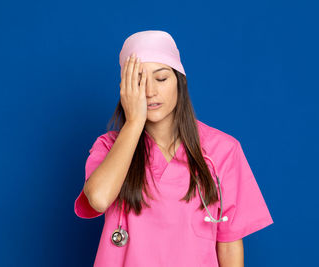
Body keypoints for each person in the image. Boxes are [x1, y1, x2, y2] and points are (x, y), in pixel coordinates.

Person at [74, 30, 274, 267]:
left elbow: (229, 246)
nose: (150, 91)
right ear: (125, 91)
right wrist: (134, 123)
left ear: (180, 81)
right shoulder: (109, 147)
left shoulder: (222, 150)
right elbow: (98, 198)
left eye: (161, 79)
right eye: (138, 81)